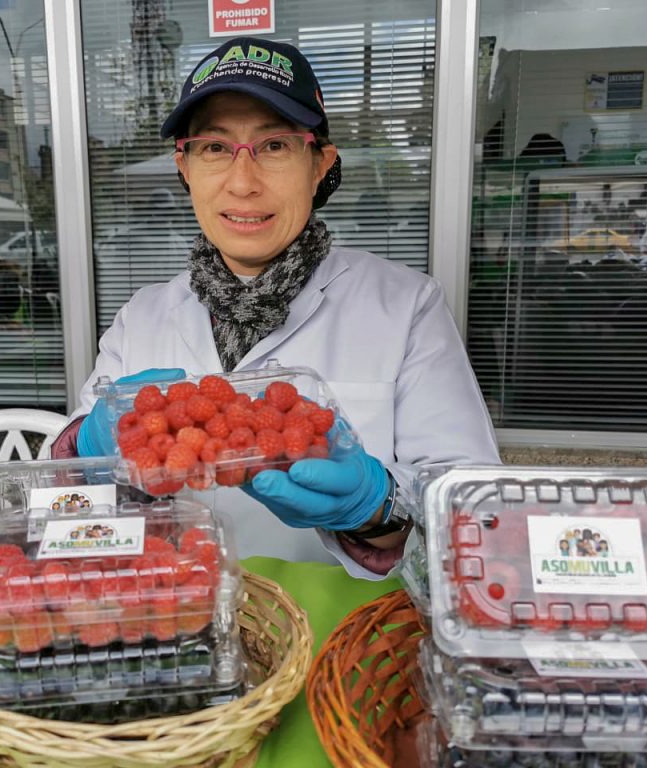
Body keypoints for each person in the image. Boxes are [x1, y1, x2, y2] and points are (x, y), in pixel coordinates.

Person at [51, 37, 499, 579]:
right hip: (174, 624)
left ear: (319, 165)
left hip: (341, 636)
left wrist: (377, 508)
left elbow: (478, 515)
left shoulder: (405, 307)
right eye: (215, 148)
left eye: (276, 146)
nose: (243, 183)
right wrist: (89, 451)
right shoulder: (141, 316)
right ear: (185, 168)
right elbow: (65, 502)